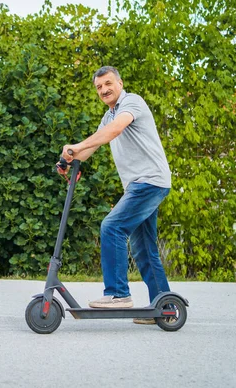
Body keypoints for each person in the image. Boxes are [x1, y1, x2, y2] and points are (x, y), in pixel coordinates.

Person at [59, 66, 172, 324]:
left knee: (112, 227)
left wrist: (77, 147)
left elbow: (114, 131)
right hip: (140, 185)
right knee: (143, 249)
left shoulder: (131, 102)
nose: (104, 90)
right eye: (99, 87)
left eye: (108, 83)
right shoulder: (108, 116)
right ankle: (164, 308)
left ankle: (118, 293)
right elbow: (95, 143)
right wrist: (69, 158)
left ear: (119, 83)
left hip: (149, 182)